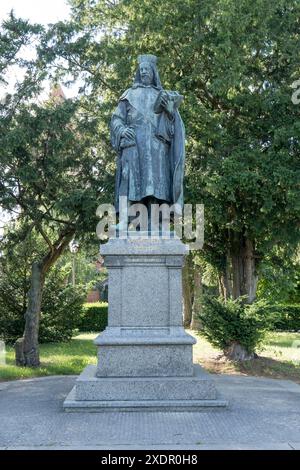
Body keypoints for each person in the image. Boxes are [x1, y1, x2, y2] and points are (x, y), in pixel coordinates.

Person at [110, 54, 185, 230]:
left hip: (157, 148)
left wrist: (170, 112)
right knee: (129, 181)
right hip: (133, 144)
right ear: (138, 72)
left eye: (147, 70)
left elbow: (174, 126)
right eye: (141, 69)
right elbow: (116, 119)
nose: (144, 72)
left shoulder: (162, 95)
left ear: (153, 73)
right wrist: (121, 130)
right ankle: (126, 220)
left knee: (155, 184)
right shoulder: (128, 95)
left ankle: (156, 222)